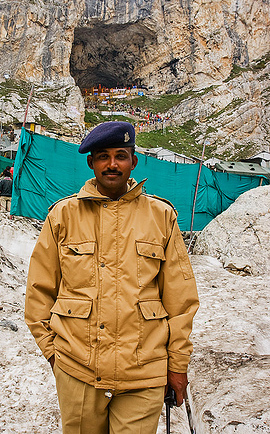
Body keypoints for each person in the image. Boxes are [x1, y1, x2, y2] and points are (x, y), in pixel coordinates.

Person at [25, 121, 199, 434]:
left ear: (134, 161)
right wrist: (54, 355)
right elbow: (38, 292)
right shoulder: (62, 216)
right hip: (78, 370)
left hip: (143, 375)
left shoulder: (162, 217)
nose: (112, 164)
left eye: (121, 155)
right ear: (91, 162)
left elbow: (181, 299)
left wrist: (177, 365)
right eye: (103, 156)